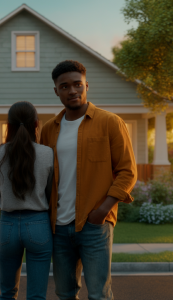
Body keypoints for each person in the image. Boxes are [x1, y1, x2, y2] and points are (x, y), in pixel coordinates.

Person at [40, 60, 137, 300]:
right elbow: (44, 176)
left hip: (95, 224)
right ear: (56, 91)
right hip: (59, 227)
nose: (72, 91)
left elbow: (127, 171)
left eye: (77, 85)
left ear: (86, 86)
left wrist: (102, 210)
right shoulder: (48, 130)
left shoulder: (110, 123)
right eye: (64, 86)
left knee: (99, 295)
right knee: (64, 293)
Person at [0, 101, 54, 300]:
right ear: (36, 124)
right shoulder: (47, 153)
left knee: (7, 293)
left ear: (8, 125)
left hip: (7, 225)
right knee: (36, 296)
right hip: (39, 225)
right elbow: (51, 192)